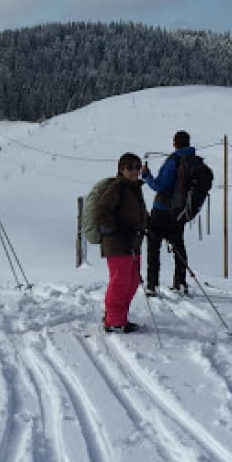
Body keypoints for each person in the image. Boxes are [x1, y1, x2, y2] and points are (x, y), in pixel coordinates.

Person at [94, 152, 148, 333]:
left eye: (137, 167)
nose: (135, 171)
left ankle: (117, 316)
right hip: (117, 244)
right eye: (130, 167)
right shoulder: (117, 188)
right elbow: (101, 212)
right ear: (121, 169)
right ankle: (114, 322)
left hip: (133, 243)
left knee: (132, 282)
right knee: (120, 282)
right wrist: (118, 229)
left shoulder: (134, 188)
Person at [141, 130, 194, 296]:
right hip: (180, 211)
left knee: (153, 247)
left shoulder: (173, 161)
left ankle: (152, 284)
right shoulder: (193, 161)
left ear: (175, 143)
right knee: (178, 245)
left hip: (162, 210)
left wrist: (146, 176)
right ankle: (180, 282)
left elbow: (160, 185)